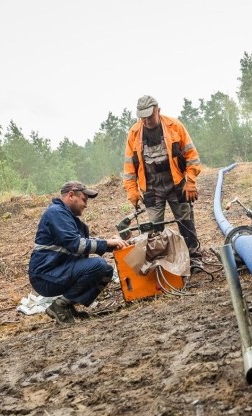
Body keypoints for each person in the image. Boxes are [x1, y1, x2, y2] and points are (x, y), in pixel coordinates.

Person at [122, 95, 204, 271]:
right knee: (155, 228)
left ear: (158, 111)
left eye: (150, 116)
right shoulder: (134, 133)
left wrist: (190, 182)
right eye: (142, 117)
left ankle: (194, 258)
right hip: (151, 186)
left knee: (186, 221)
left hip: (176, 182)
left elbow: (192, 156)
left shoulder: (175, 126)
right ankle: (165, 265)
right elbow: (129, 168)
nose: (146, 120)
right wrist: (132, 192)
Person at [28, 181, 127, 324]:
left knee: (106, 270)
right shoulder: (56, 213)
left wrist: (109, 244)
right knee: (99, 264)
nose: (86, 205)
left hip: (58, 270)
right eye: (84, 200)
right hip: (45, 275)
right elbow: (76, 244)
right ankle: (60, 306)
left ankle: (67, 306)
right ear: (71, 195)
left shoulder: (66, 217)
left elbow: (80, 242)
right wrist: (106, 243)